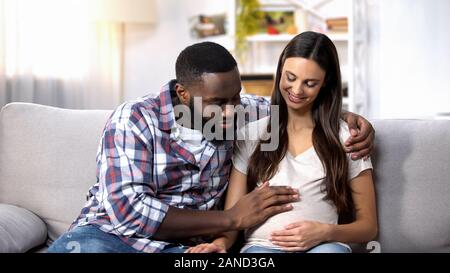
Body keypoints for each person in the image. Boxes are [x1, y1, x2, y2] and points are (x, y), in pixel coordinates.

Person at [48, 41, 375, 253]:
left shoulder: (246, 114)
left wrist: (346, 118)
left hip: (187, 248)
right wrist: (231, 219)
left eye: (236, 96)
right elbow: (130, 212)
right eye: (219, 103)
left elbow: (297, 108)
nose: (233, 110)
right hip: (113, 238)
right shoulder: (134, 119)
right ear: (184, 94)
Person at [186, 32, 377, 254]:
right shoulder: (252, 133)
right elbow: (234, 217)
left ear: (326, 83)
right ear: (279, 74)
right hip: (262, 247)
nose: (296, 91)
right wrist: (219, 245)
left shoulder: (347, 137)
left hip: (325, 245)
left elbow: (368, 226)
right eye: (290, 78)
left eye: (310, 83)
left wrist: (325, 232)